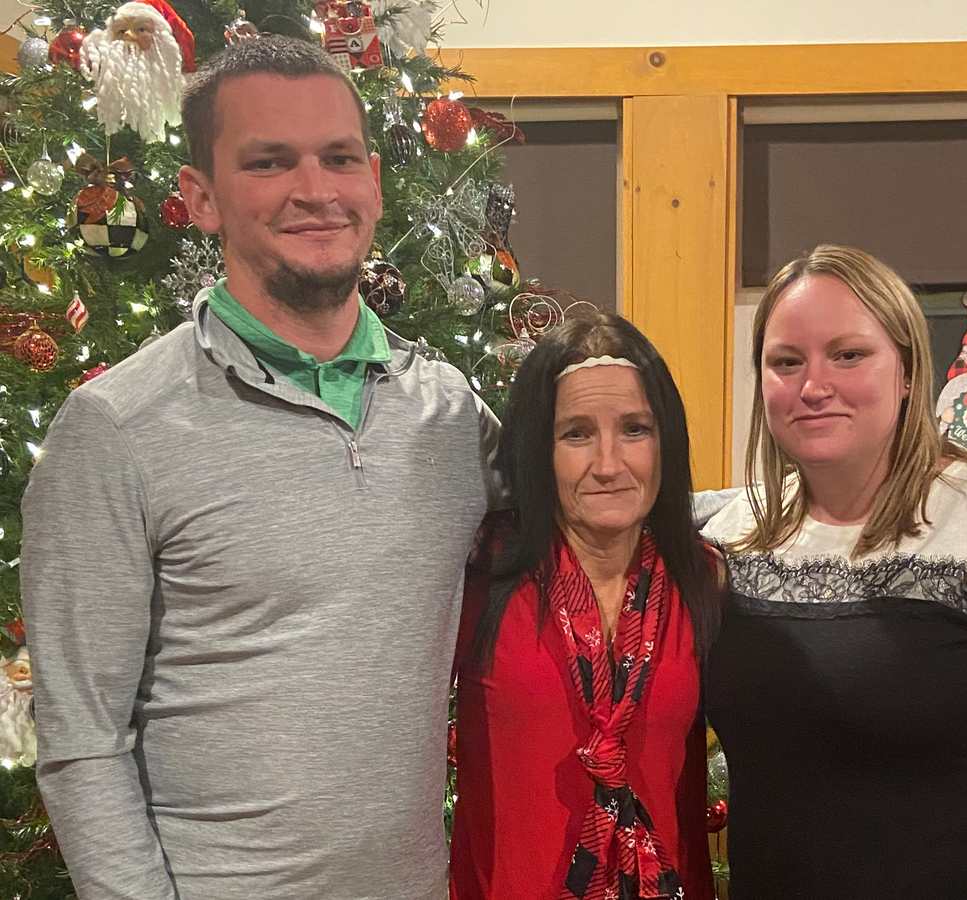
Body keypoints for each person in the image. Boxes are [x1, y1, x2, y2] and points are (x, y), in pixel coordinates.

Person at [22, 36, 497, 900]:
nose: (315, 190)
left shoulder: (449, 412)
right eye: (269, 162)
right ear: (201, 197)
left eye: (339, 158)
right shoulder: (115, 429)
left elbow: (610, 504)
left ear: (374, 182)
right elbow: (83, 739)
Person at [702, 244, 967, 900]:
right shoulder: (736, 535)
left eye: (848, 354)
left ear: (907, 371)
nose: (814, 386)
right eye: (787, 361)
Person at [450, 312, 721, 900]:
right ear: (539, 449)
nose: (608, 465)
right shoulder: (478, 575)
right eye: (576, 434)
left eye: (635, 429)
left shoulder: (702, 579)